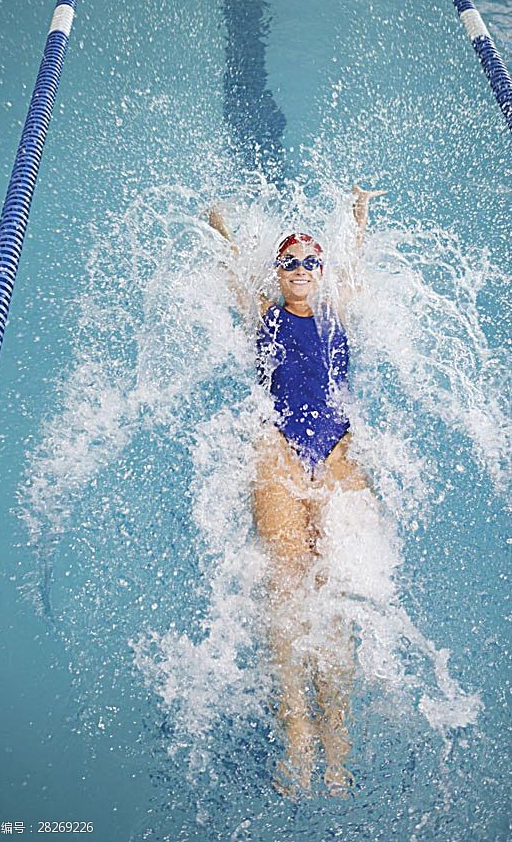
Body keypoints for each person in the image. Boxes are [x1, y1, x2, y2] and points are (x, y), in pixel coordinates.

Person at [208, 185, 387, 798]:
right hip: (278, 450)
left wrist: (359, 217)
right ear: (278, 273)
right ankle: (296, 734)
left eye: (313, 261)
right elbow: (232, 270)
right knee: (286, 583)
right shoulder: (264, 313)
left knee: (333, 583)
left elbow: (357, 265)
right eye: (291, 262)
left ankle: (336, 741)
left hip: (337, 452)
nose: (303, 270)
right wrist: (219, 226)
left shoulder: (341, 309)